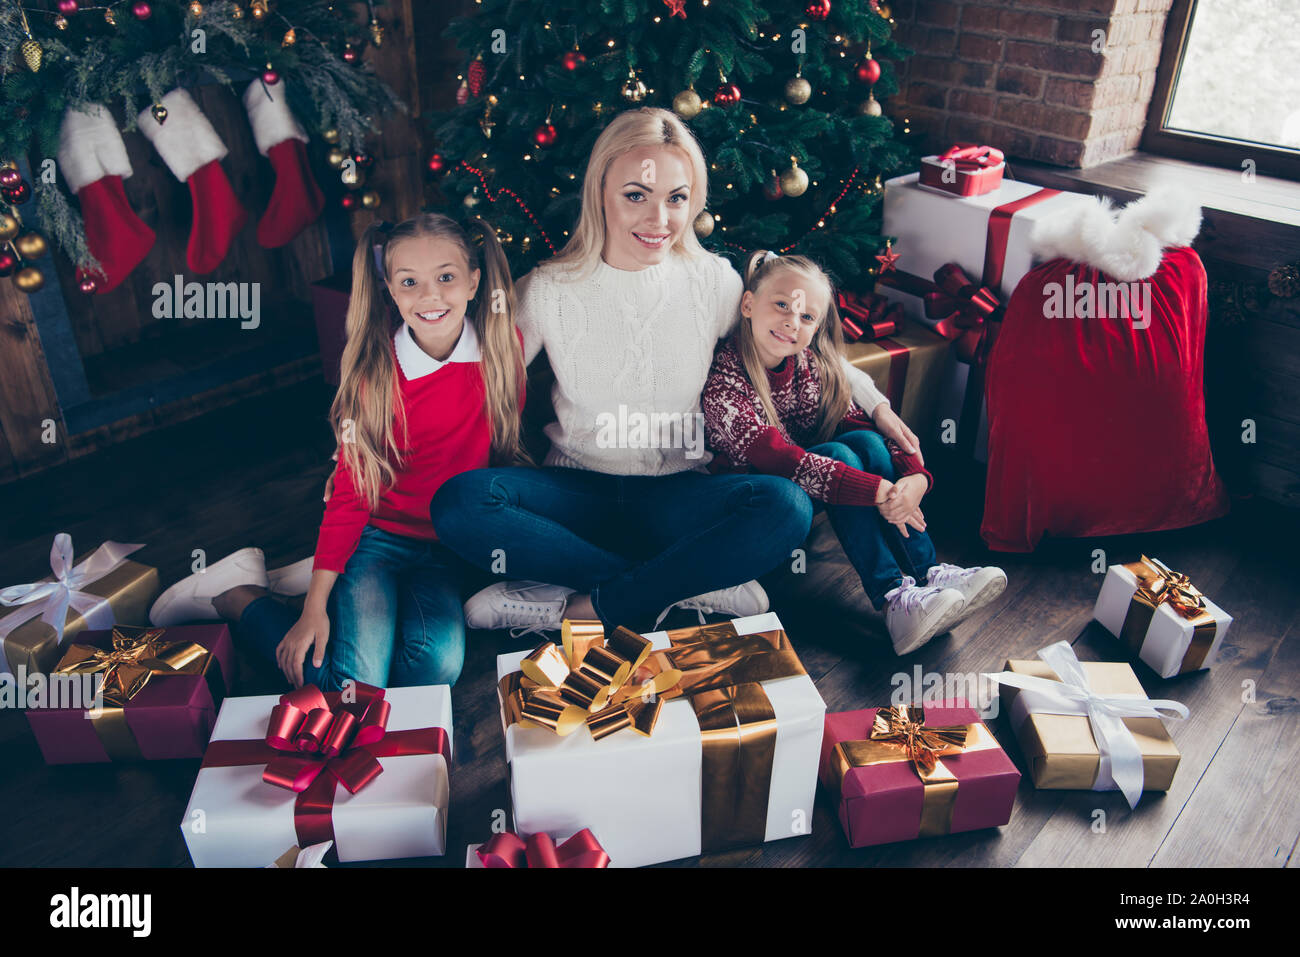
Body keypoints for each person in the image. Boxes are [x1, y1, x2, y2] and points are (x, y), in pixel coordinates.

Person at [429, 107, 924, 634]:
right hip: (576, 492)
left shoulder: (713, 282)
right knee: (462, 504)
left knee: (785, 506)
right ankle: (684, 588)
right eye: (636, 196)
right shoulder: (548, 289)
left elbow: (797, 343)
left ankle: (586, 603)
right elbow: (471, 382)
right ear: (601, 192)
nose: (658, 220)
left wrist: (875, 403)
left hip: (681, 493)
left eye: (676, 198)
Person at [148, 213, 528, 688]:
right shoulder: (377, 376)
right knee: (350, 687)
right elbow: (351, 494)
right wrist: (312, 612)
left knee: (434, 671)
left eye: (446, 278)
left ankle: (328, 583)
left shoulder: (501, 350)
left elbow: (497, 453)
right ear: (389, 288)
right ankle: (240, 597)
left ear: (474, 282)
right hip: (379, 537)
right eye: (409, 281)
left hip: (446, 548)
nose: (430, 296)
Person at [701, 250, 1007, 654]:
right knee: (840, 457)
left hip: (804, 478)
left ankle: (930, 572)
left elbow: (859, 422)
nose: (792, 323)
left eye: (807, 317)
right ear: (748, 304)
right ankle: (892, 597)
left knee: (863, 442)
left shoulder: (806, 365)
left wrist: (915, 477)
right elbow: (780, 459)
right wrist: (880, 491)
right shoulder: (726, 378)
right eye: (781, 306)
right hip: (747, 501)